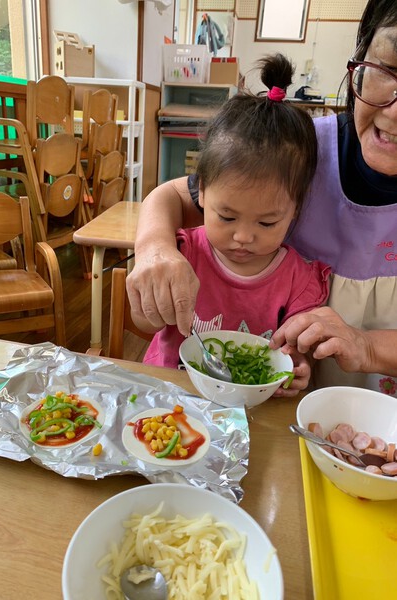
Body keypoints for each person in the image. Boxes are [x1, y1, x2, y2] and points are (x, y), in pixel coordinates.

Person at [127, 0, 397, 396]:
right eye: (389, 69)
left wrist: (368, 345)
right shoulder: (298, 152)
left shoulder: (298, 278)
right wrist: (153, 248)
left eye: (267, 222)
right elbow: (172, 195)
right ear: (360, 56)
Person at [134, 54, 330, 390]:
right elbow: (143, 322)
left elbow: (298, 354)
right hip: (167, 394)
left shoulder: (298, 279)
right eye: (226, 216)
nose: (243, 236)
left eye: (267, 223)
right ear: (202, 192)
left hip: (250, 413)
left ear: (295, 209)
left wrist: (296, 368)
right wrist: (153, 294)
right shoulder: (183, 252)